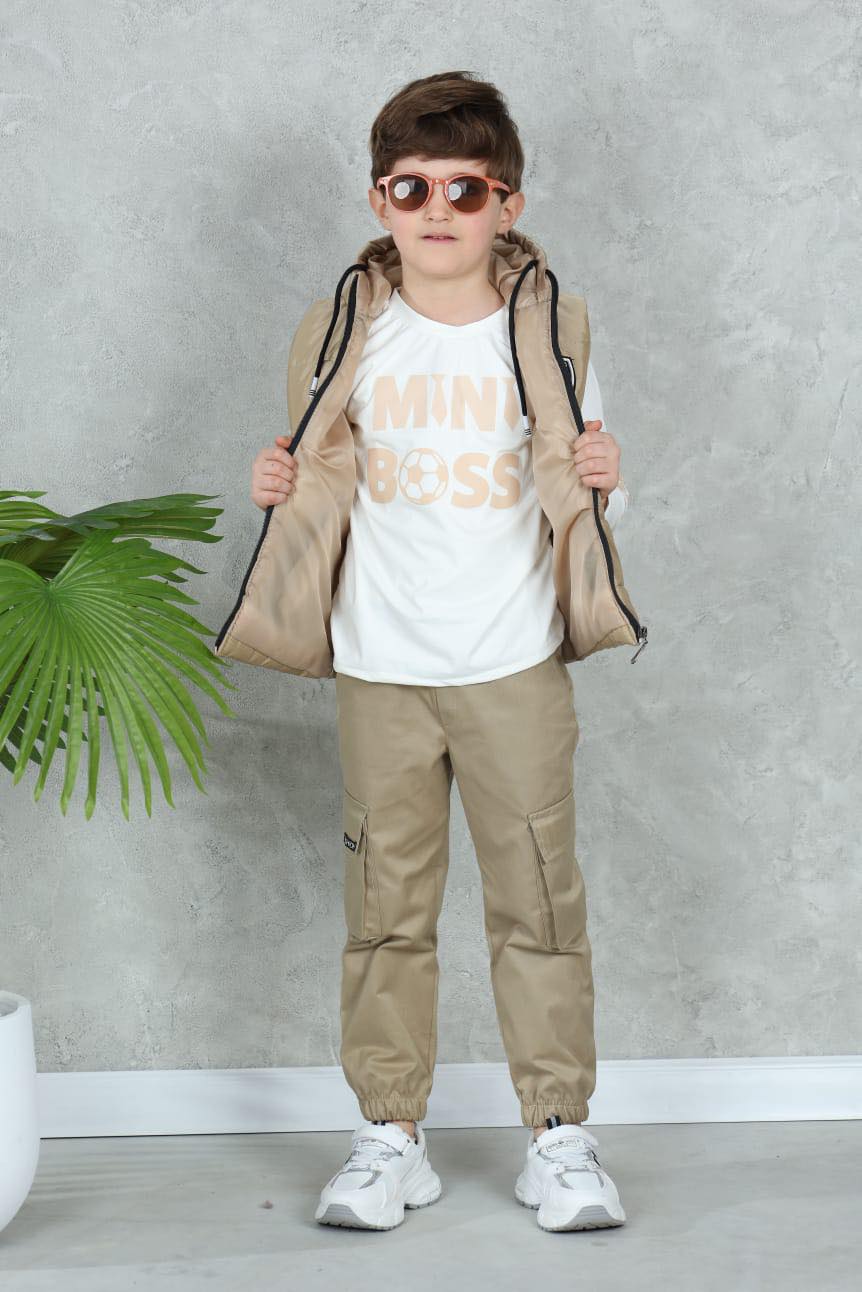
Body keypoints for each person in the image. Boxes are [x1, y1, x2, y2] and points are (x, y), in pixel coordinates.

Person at [245, 70, 643, 1233]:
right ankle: (390, 1137)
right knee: (385, 910)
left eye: (464, 189)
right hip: (382, 664)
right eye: (411, 186)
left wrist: (610, 484)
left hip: (512, 660)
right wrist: (274, 485)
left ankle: (558, 1137)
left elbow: (589, 489)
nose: (437, 209)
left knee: (539, 903)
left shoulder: (552, 326)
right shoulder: (344, 329)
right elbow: (318, 474)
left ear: (505, 204)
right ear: (379, 199)